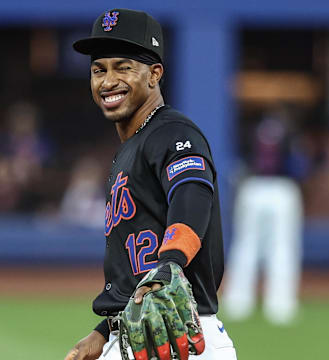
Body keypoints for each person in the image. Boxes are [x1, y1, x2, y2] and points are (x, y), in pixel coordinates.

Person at [65, 8, 237, 360]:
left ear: (154, 74)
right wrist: (104, 331)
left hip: (178, 333)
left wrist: (171, 262)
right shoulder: (132, 148)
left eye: (123, 67)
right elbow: (134, 270)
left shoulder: (172, 132)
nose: (107, 81)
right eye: (99, 70)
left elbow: (191, 191)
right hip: (139, 328)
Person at [222, 104, 304, 325]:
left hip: (253, 187)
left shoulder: (249, 130)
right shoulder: (290, 132)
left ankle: (238, 302)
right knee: (282, 247)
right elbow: (299, 166)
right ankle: (280, 306)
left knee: (246, 245)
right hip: (281, 189)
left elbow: (239, 163)